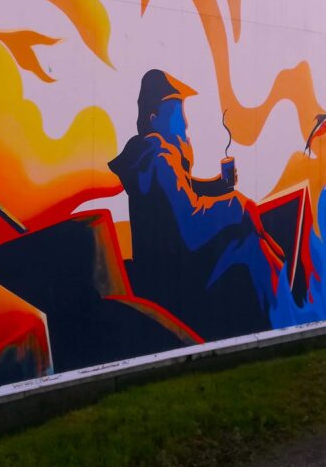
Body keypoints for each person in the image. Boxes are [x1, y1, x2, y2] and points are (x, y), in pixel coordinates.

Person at [108, 70, 284, 341]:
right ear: (154, 119)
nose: (185, 123)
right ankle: (284, 320)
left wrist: (218, 185)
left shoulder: (150, 156)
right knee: (251, 247)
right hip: (173, 280)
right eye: (176, 115)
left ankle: (283, 299)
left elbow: (182, 190)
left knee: (250, 241)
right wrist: (236, 205)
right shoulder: (160, 158)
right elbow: (190, 224)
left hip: (163, 271)